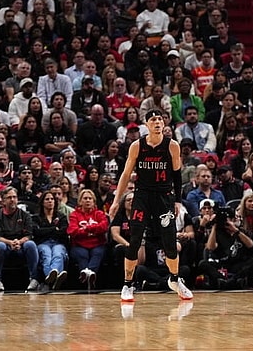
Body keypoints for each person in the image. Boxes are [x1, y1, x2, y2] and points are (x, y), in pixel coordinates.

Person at [111, 109, 193, 302]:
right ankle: (128, 284)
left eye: (160, 119)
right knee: (135, 240)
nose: (157, 122)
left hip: (164, 197)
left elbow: (177, 175)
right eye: (153, 119)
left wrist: (178, 200)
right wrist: (116, 200)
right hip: (142, 196)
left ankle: (175, 280)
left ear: (164, 124)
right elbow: (125, 174)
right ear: (146, 124)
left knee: (170, 243)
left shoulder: (172, 146)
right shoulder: (137, 146)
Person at [0, 187, 39, 292]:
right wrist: (10, 242)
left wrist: (19, 242)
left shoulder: (25, 215)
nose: (12, 200)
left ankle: (34, 279)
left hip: (21, 246)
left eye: (14, 197)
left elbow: (29, 234)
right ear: (3, 201)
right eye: (9, 197)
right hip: (5, 246)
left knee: (30, 244)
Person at [66, 189, 108, 289]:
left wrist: (86, 228)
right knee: (82, 254)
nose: (88, 200)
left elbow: (104, 227)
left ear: (94, 201)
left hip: (98, 244)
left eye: (90, 198)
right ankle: (89, 278)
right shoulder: (74, 215)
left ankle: (87, 274)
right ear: (80, 201)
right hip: (79, 245)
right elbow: (72, 231)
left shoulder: (99, 214)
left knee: (97, 253)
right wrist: (94, 231)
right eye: (85, 198)